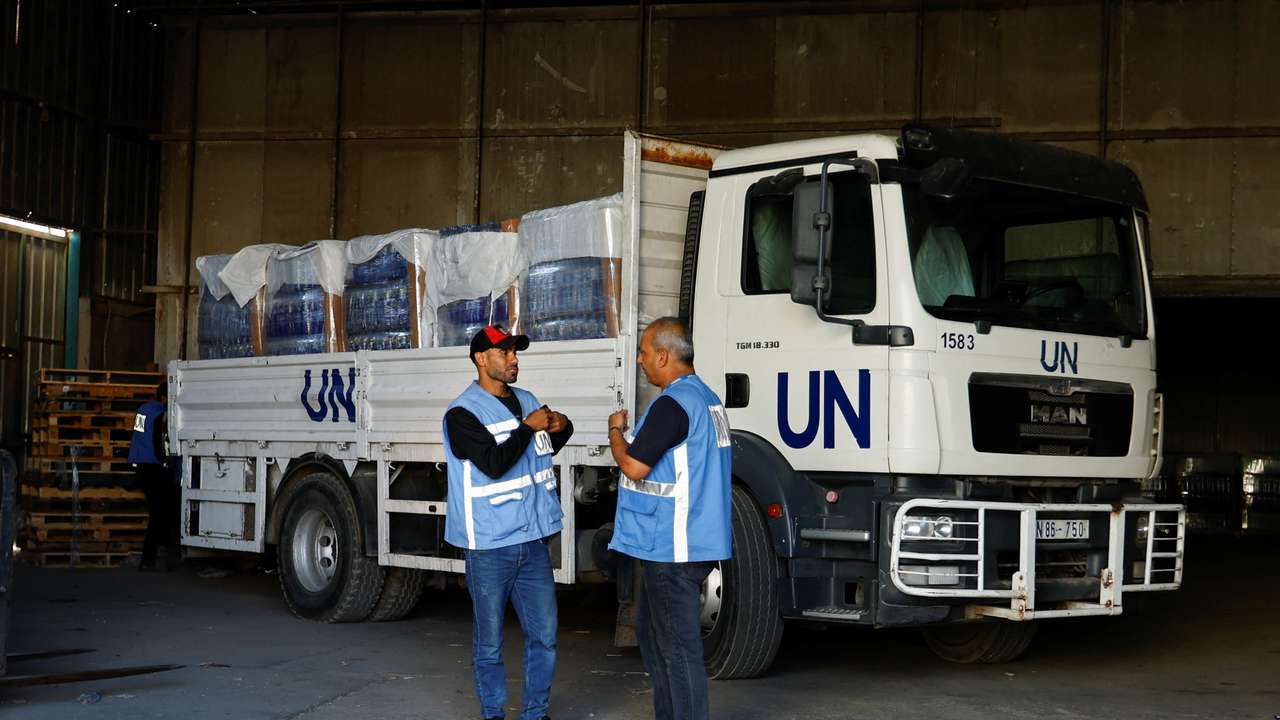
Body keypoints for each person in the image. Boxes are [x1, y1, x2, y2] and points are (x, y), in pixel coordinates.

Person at [443, 324, 574, 720]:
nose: (514, 359)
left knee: (545, 636)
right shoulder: (461, 414)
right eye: (505, 352)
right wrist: (529, 426)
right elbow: (495, 464)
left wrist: (562, 424)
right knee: (490, 643)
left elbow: (542, 449)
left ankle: (536, 713)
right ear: (481, 359)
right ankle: (493, 713)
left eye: (515, 352)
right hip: (490, 545)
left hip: (533, 541)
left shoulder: (527, 400)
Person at [606, 317, 732, 720]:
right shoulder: (707, 398)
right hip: (693, 540)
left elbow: (633, 466)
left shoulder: (672, 404)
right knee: (652, 634)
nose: (640, 361)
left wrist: (614, 432)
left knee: (677, 649)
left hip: (672, 546)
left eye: (643, 353)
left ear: (663, 356)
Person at [128, 382, 177, 571]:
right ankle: (149, 559)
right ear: (164, 397)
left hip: (141, 464)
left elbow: (139, 435)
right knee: (159, 513)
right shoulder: (161, 413)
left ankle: (157, 555)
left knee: (157, 510)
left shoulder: (143, 409)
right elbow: (158, 440)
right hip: (155, 467)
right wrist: (166, 461)